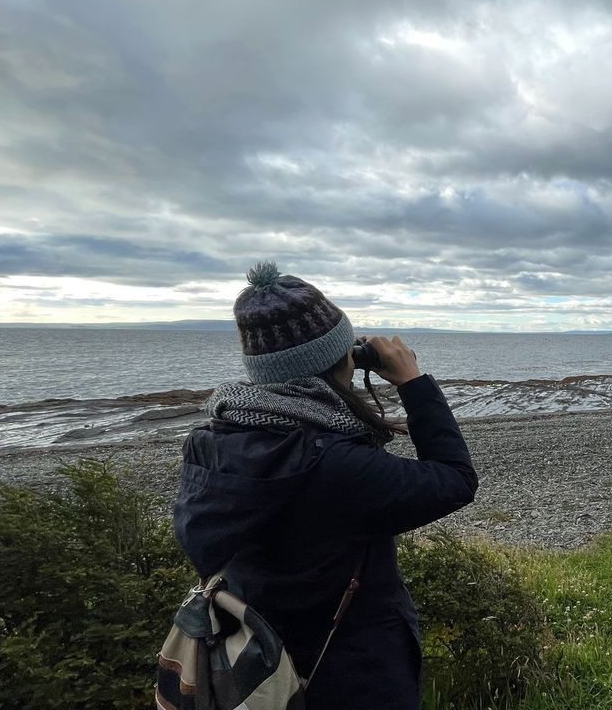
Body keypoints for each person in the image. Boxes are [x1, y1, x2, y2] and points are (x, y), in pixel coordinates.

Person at [173, 262, 477, 708]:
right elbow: (454, 479)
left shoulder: (214, 442)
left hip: (255, 668)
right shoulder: (333, 463)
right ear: (338, 357)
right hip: (351, 673)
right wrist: (413, 383)